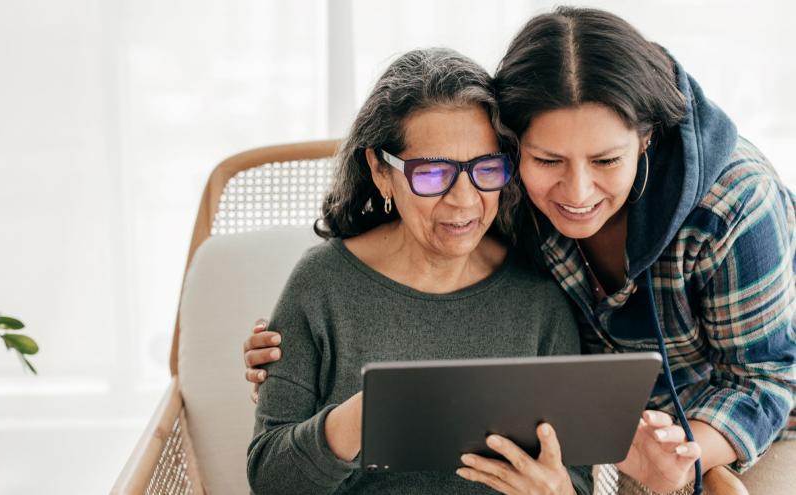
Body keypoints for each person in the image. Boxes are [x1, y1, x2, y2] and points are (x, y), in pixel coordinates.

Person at [245, 7, 796, 494]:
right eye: (548, 160)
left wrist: (687, 457)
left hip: (742, 421)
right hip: (631, 424)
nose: (576, 194)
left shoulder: (732, 207)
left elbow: (769, 375)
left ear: (645, 139)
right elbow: (274, 470)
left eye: (605, 161)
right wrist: (329, 394)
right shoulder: (499, 205)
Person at [246, 48, 593, 494]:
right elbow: (269, 479)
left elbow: (580, 480)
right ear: (380, 171)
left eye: (486, 168)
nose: (464, 201)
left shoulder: (538, 295)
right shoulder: (322, 283)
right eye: (432, 174)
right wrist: (361, 418)